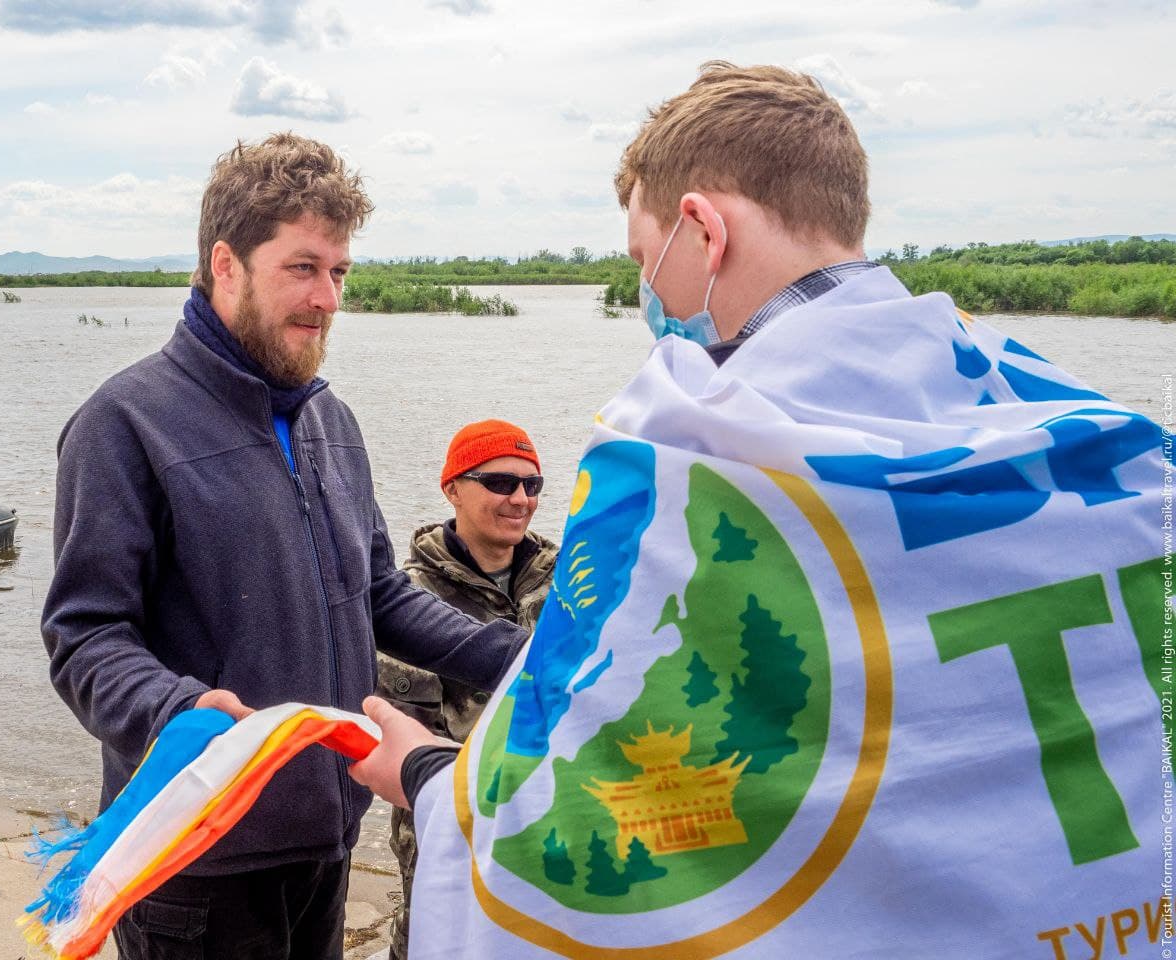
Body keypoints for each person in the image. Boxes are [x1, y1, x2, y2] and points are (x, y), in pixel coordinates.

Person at [350, 63, 1164, 959]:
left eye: (641, 262)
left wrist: (426, 773)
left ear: (701, 228)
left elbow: (565, 817)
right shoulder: (1096, 436)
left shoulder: (685, 461)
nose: (650, 299)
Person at [41, 133, 527, 960]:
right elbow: (84, 637)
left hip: (327, 834)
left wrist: (527, 657)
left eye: (338, 272)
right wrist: (176, 708)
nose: (329, 297)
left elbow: (380, 595)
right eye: (303, 268)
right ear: (224, 264)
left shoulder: (329, 422)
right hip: (194, 856)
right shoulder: (123, 424)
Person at [376, 419, 557, 960]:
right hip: (444, 834)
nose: (520, 499)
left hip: (551, 826)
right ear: (452, 487)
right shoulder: (401, 601)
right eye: (500, 482)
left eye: (533, 485)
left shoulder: (574, 585)